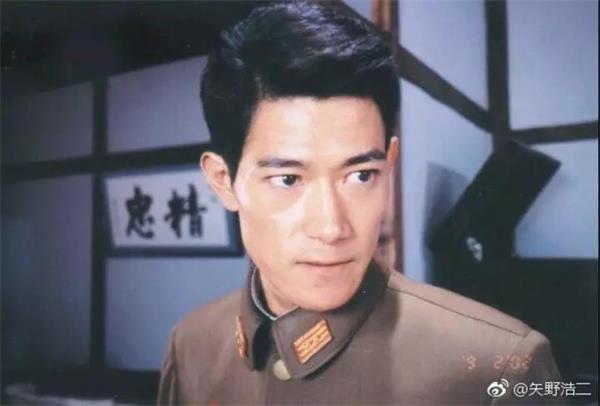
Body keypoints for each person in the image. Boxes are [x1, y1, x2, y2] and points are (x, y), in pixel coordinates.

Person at [157, 1, 563, 404]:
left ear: (389, 164)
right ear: (223, 182)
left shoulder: (500, 366)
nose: (332, 227)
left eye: (361, 175)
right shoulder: (191, 344)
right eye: (288, 179)